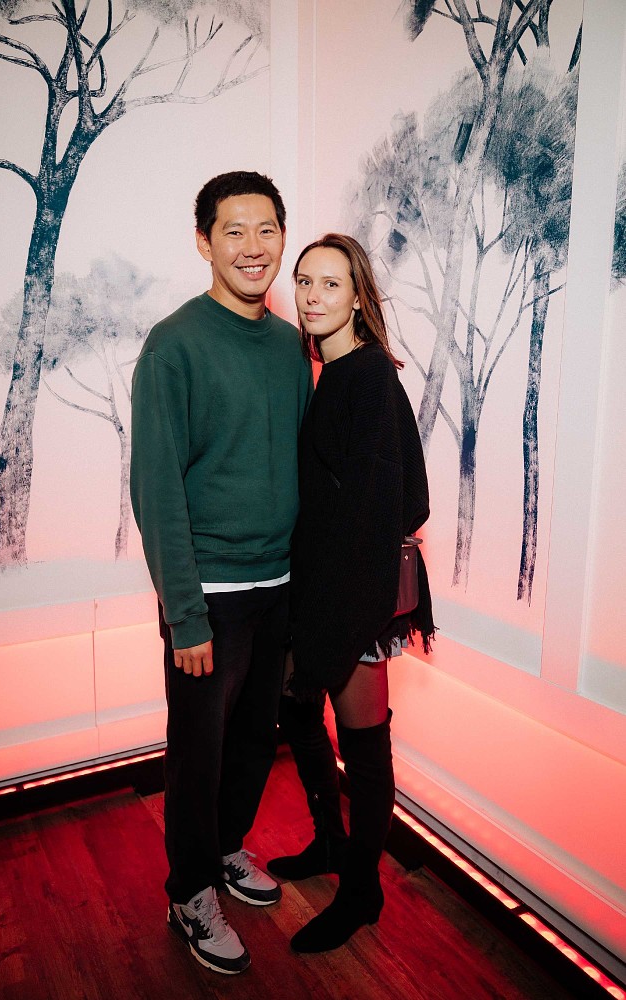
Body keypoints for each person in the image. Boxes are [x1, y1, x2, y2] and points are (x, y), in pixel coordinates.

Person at [130, 171, 313, 975]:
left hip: (277, 588)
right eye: (233, 231)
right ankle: (189, 891)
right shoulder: (174, 343)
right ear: (203, 242)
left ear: (282, 236)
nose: (252, 246)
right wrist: (185, 613)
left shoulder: (288, 346)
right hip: (208, 593)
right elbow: (156, 487)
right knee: (196, 755)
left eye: (266, 228)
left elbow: (301, 467)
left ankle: (227, 850)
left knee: (252, 744)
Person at [267, 233, 434, 954]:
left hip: (356, 599)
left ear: (359, 296)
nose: (311, 296)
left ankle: (361, 891)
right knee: (299, 713)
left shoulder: (366, 376)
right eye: (304, 281)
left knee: (364, 749)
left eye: (330, 284)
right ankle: (330, 844)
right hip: (318, 589)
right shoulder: (331, 372)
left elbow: (392, 504)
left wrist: (343, 619)